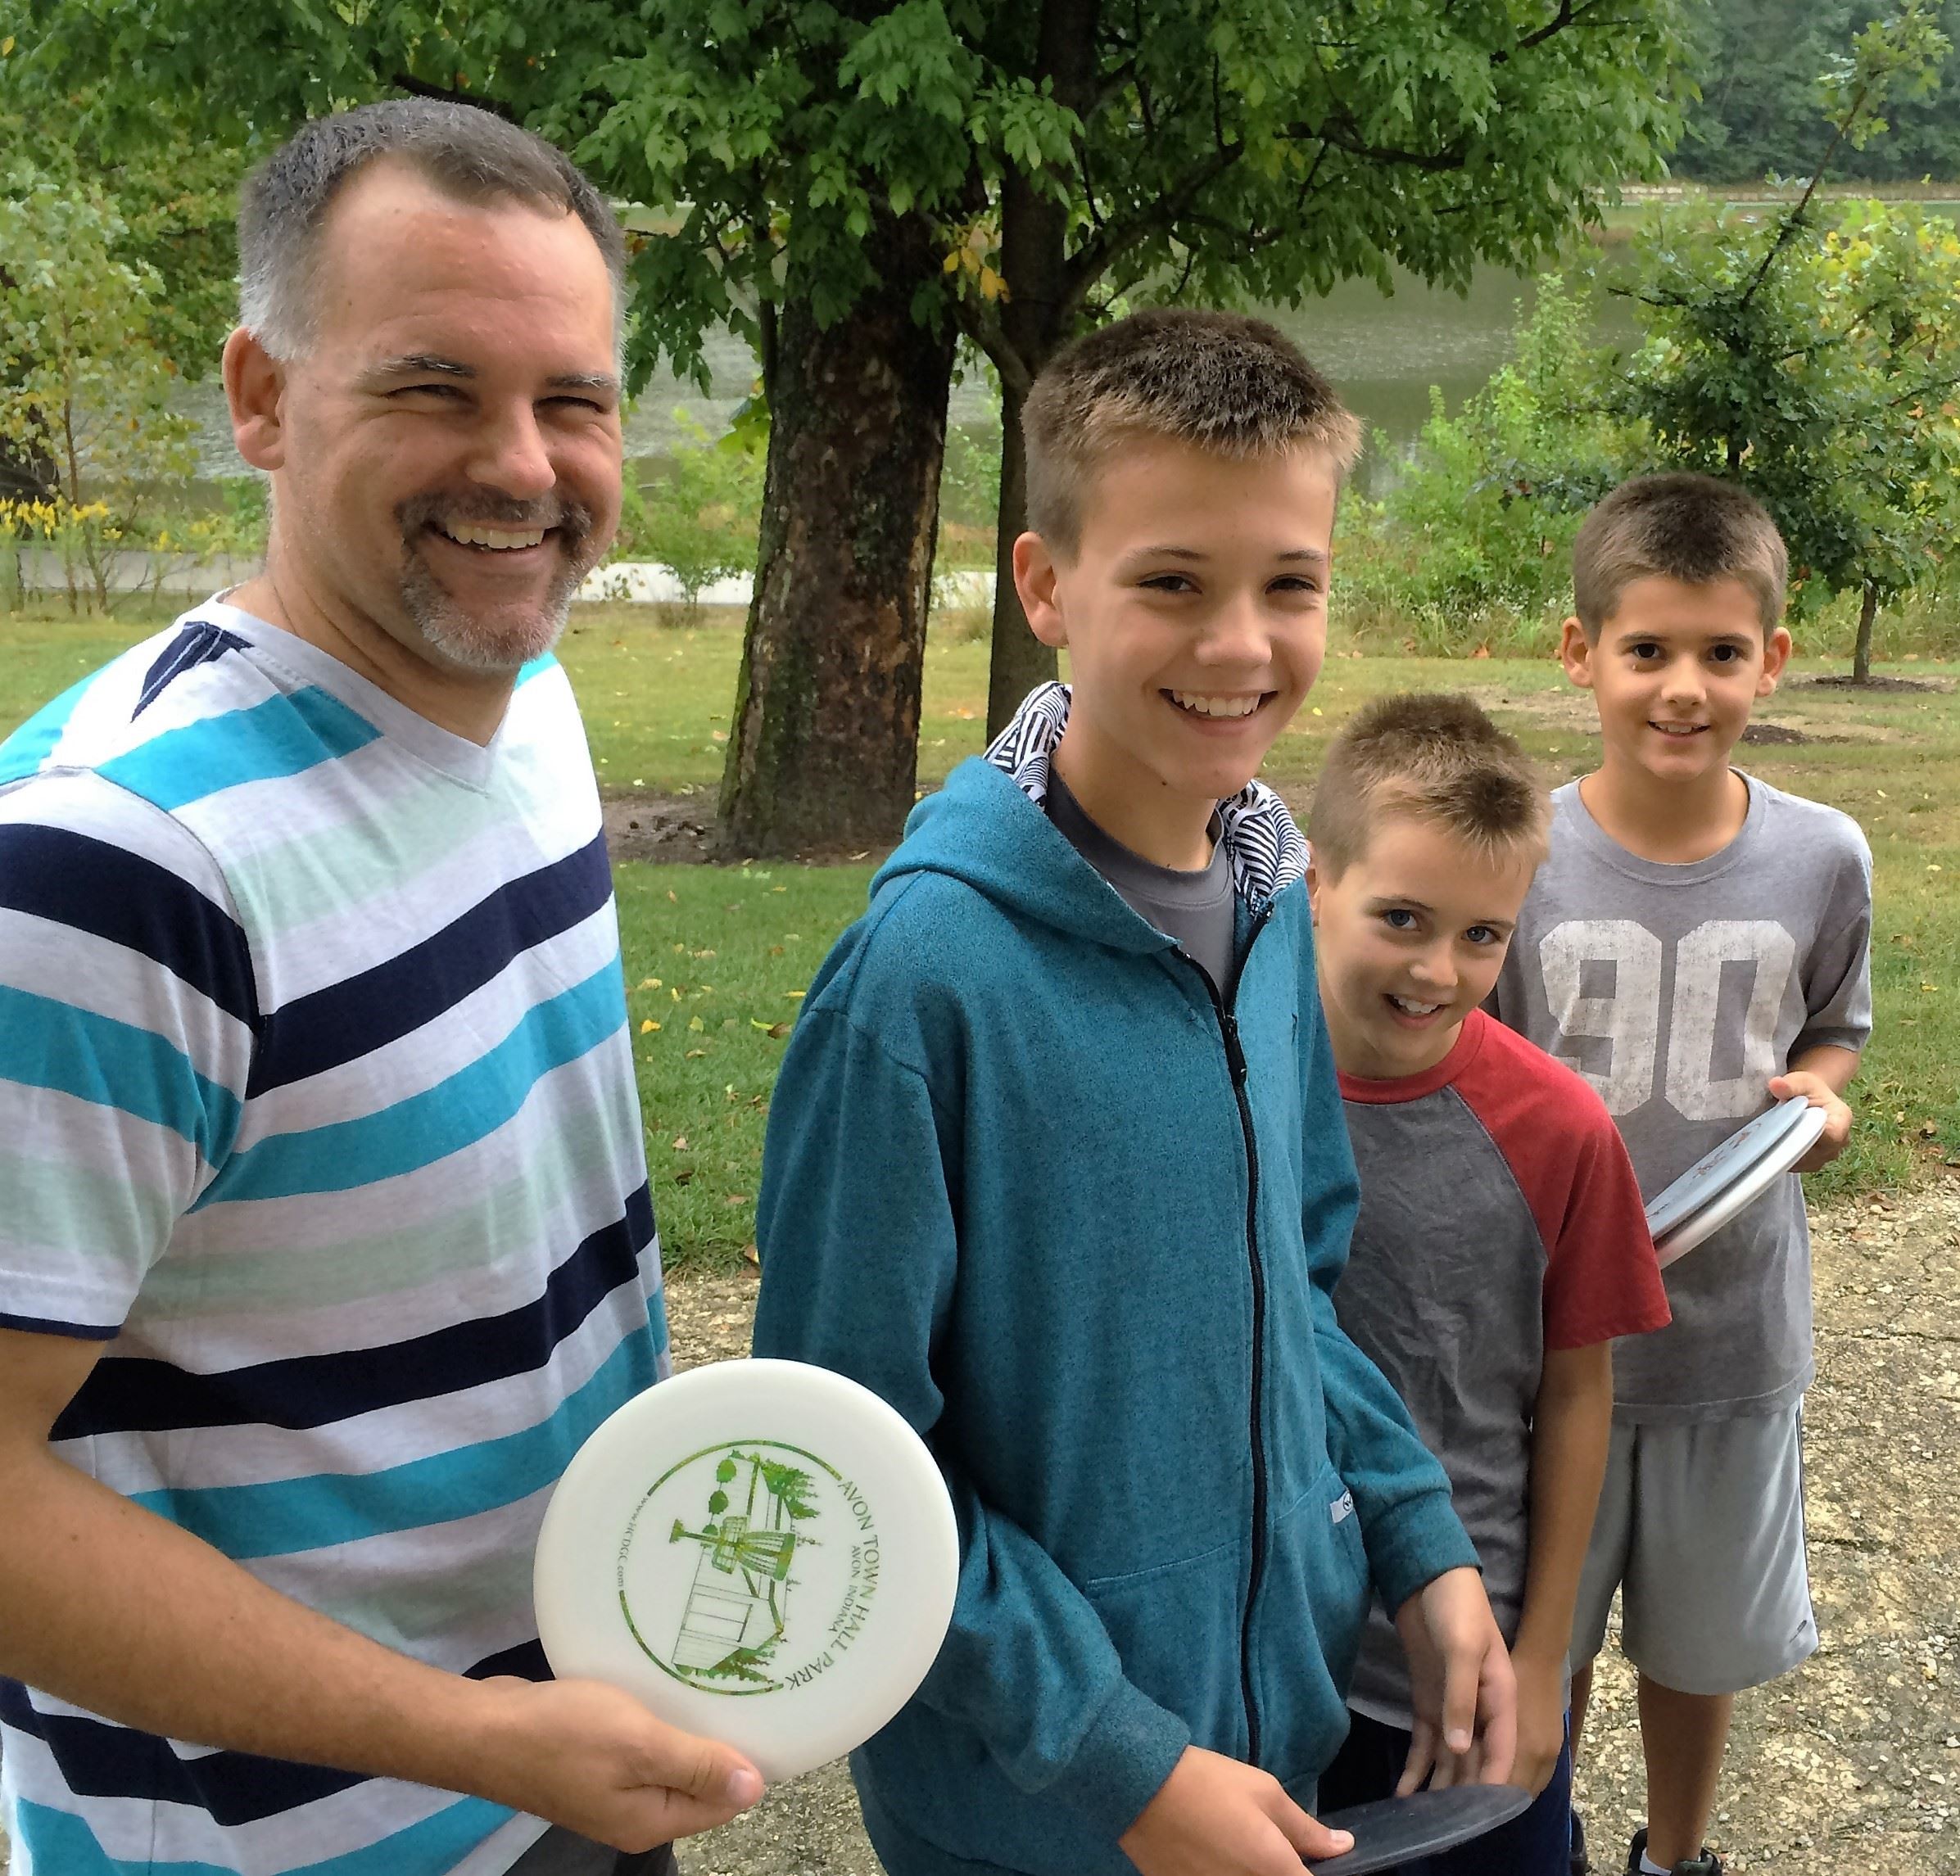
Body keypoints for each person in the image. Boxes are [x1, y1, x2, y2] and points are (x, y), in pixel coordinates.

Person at [0, 101, 763, 1876]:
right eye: (435, 389)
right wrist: (480, 1735)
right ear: (260, 398)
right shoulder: (113, 871)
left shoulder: (529, 702)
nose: (524, 466)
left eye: (573, 401)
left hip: (574, 1757)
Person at [749, 310, 1518, 1876]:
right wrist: (1122, 1764)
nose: (1240, 646)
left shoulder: (1273, 906)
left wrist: (1416, 1536)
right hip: (1026, 1813)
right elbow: (847, 1462)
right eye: (1171, 582)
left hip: (1269, 1745)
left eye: (1288, 585)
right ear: (1045, 587)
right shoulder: (921, 986)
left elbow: (1290, 1289)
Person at [1488, 473, 1872, 1876]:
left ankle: (1676, 1857)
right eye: (1645, 649)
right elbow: (1466, 1073)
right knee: (1551, 1639)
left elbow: (1832, 1032)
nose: (1680, 688)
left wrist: (1816, 1104)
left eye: (1719, 652)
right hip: (1546, 1355)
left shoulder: (1822, 856)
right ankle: (1542, 1845)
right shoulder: (1518, 856)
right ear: (1579, 651)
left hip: (1728, 1344)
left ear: (1770, 658)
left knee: (1694, 1646)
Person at [1304, 695, 1670, 1875]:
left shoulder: (1559, 1130)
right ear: (1315, 877)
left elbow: (1574, 1397)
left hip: (1466, 1670)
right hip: (1266, 1664)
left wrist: (1543, 1657)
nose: (1436, 970)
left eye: (1482, 935)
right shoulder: (1235, 1080)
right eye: (1400, 917)